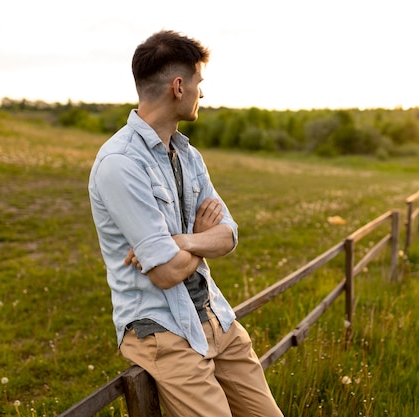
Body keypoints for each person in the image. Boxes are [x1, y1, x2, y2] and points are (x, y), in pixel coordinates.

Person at [88, 30, 284, 417]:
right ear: (179, 87)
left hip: (214, 315)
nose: (202, 93)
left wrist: (183, 240)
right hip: (162, 329)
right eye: (198, 83)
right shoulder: (120, 164)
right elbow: (164, 274)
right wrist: (197, 236)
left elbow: (229, 234)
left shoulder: (188, 153)